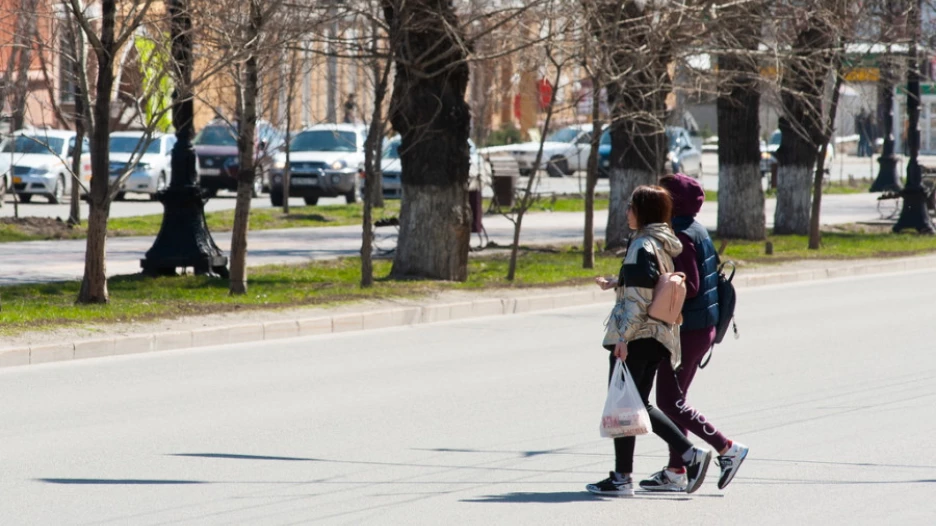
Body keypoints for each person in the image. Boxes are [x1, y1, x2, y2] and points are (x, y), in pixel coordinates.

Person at [588, 185, 712, 497]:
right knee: (635, 405)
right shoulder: (661, 241)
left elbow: (639, 299)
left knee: (624, 405)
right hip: (657, 336)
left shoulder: (641, 244)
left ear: (642, 211)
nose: (626, 211)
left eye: (631, 206)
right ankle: (679, 458)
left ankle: (626, 476)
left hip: (637, 337)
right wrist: (619, 281)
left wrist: (622, 339)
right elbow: (651, 282)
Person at [635, 174, 749, 494]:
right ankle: (676, 470)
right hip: (700, 328)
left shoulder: (681, 235)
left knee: (668, 402)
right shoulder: (695, 229)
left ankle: (727, 448)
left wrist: (658, 286)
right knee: (674, 402)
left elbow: (692, 286)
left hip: (688, 331)